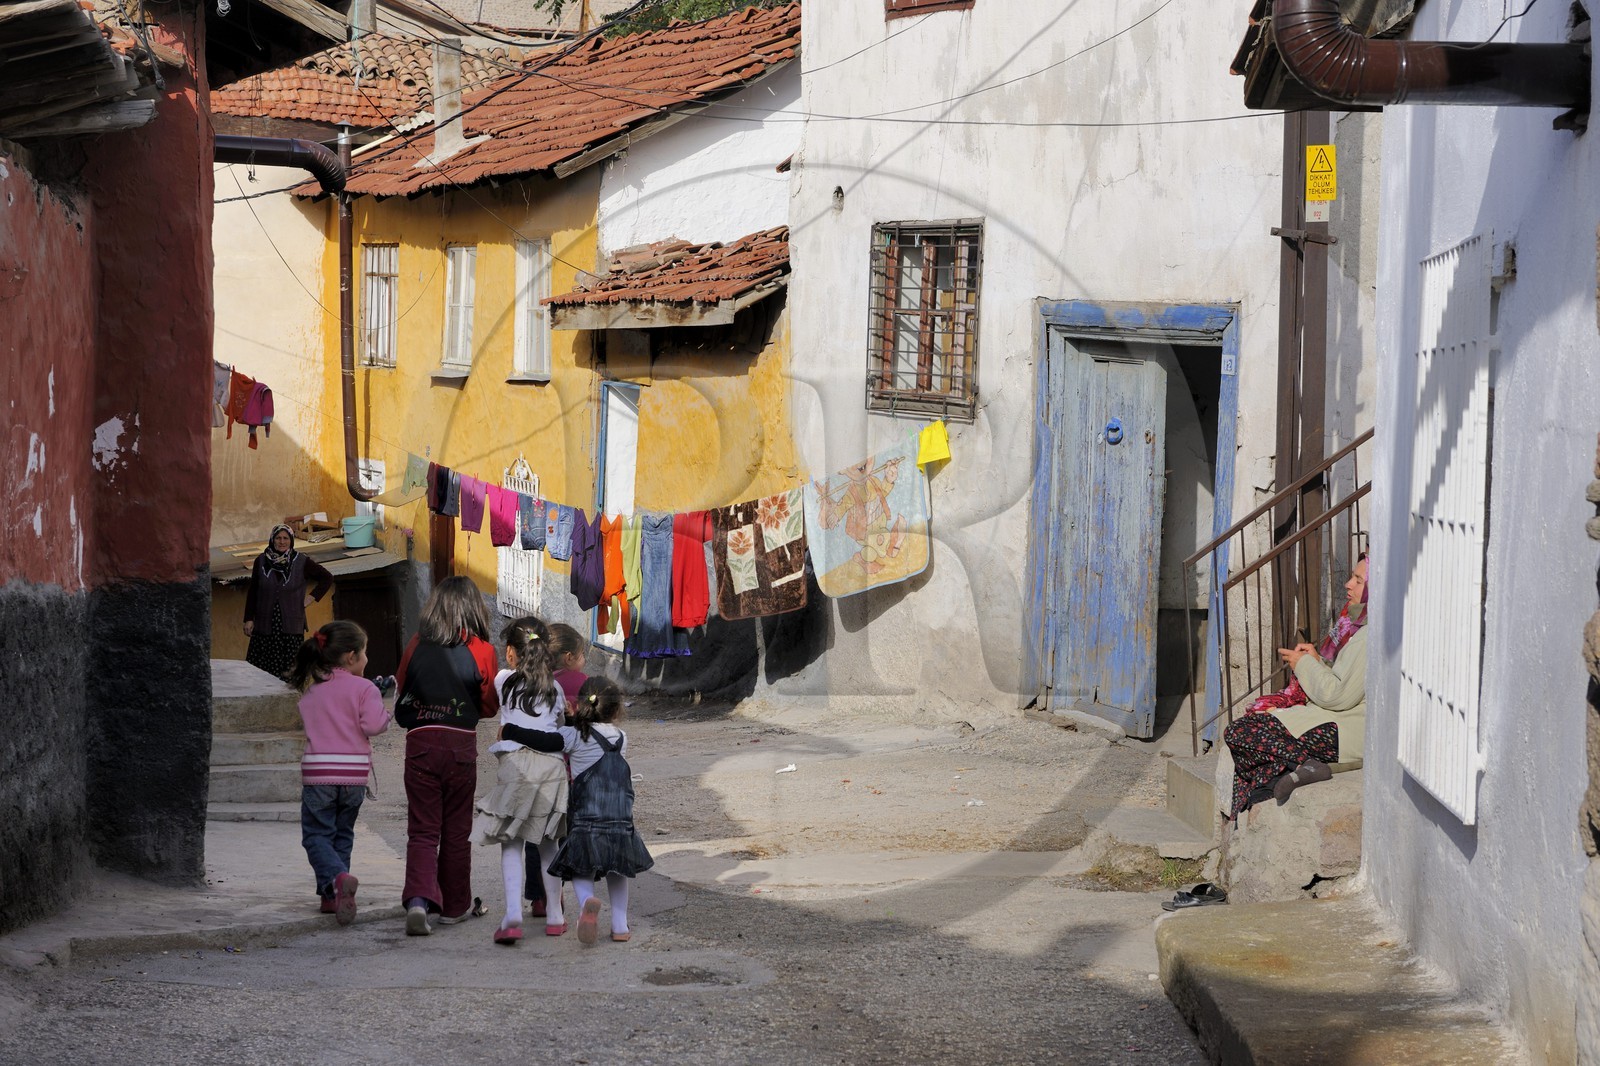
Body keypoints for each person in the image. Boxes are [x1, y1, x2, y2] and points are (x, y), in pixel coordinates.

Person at [504, 676, 653, 946]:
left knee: (581, 871)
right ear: (616, 710)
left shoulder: (572, 736)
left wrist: (512, 730)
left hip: (585, 821)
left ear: (580, 705)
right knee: (617, 872)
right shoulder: (621, 738)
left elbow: (542, 740)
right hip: (620, 821)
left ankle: (586, 903)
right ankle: (619, 925)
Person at [1224, 554, 1370, 819]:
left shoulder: (1369, 635)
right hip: (1336, 723)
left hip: (1343, 732)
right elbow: (1345, 684)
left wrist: (1304, 664)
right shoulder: (1362, 629)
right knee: (1254, 743)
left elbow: (1336, 696)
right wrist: (1317, 661)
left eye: (1358, 580)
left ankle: (1305, 765)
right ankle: (1290, 774)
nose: (1348, 584)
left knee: (1239, 732)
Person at [393, 576, 499, 935]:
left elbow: (401, 686)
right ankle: (454, 907)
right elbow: (489, 704)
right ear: (473, 608)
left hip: (420, 742)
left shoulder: (416, 643)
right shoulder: (482, 649)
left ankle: (419, 901)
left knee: (423, 830)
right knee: (457, 829)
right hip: (460, 747)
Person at [471, 617, 571, 945]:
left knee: (512, 844)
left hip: (516, 767)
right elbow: (558, 723)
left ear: (511, 652)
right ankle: (556, 916)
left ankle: (513, 914)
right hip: (552, 770)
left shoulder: (504, 680)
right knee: (548, 845)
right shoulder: (554, 688)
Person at [288, 620, 391, 925]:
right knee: (342, 834)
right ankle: (333, 894)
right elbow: (374, 725)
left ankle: (335, 884)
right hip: (353, 778)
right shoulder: (365, 688)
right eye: (365, 653)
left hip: (319, 775)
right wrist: (386, 710)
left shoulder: (311, 694)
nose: (367, 659)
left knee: (317, 836)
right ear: (350, 656)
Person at [524, 622, 590, 920]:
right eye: (581, 654)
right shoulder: (584, 683)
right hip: (574, 773)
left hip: (539, 770)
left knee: (538, 836)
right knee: (571, 836)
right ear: (568, 657)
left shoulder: (535, 682)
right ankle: (581, 894)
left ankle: (541, 899)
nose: (583, 661)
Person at [244, 524, 334, 679]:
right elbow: (253, 592)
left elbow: (327, 578)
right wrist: (248, 619)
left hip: (290, 630)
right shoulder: (261, 561)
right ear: (272, 540)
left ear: (291, 540)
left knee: (290, 674)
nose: (282, 541)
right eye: (278, 538)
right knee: (261, 675)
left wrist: (310, 598)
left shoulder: (302, 561)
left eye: (286, 538)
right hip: (264, 629)